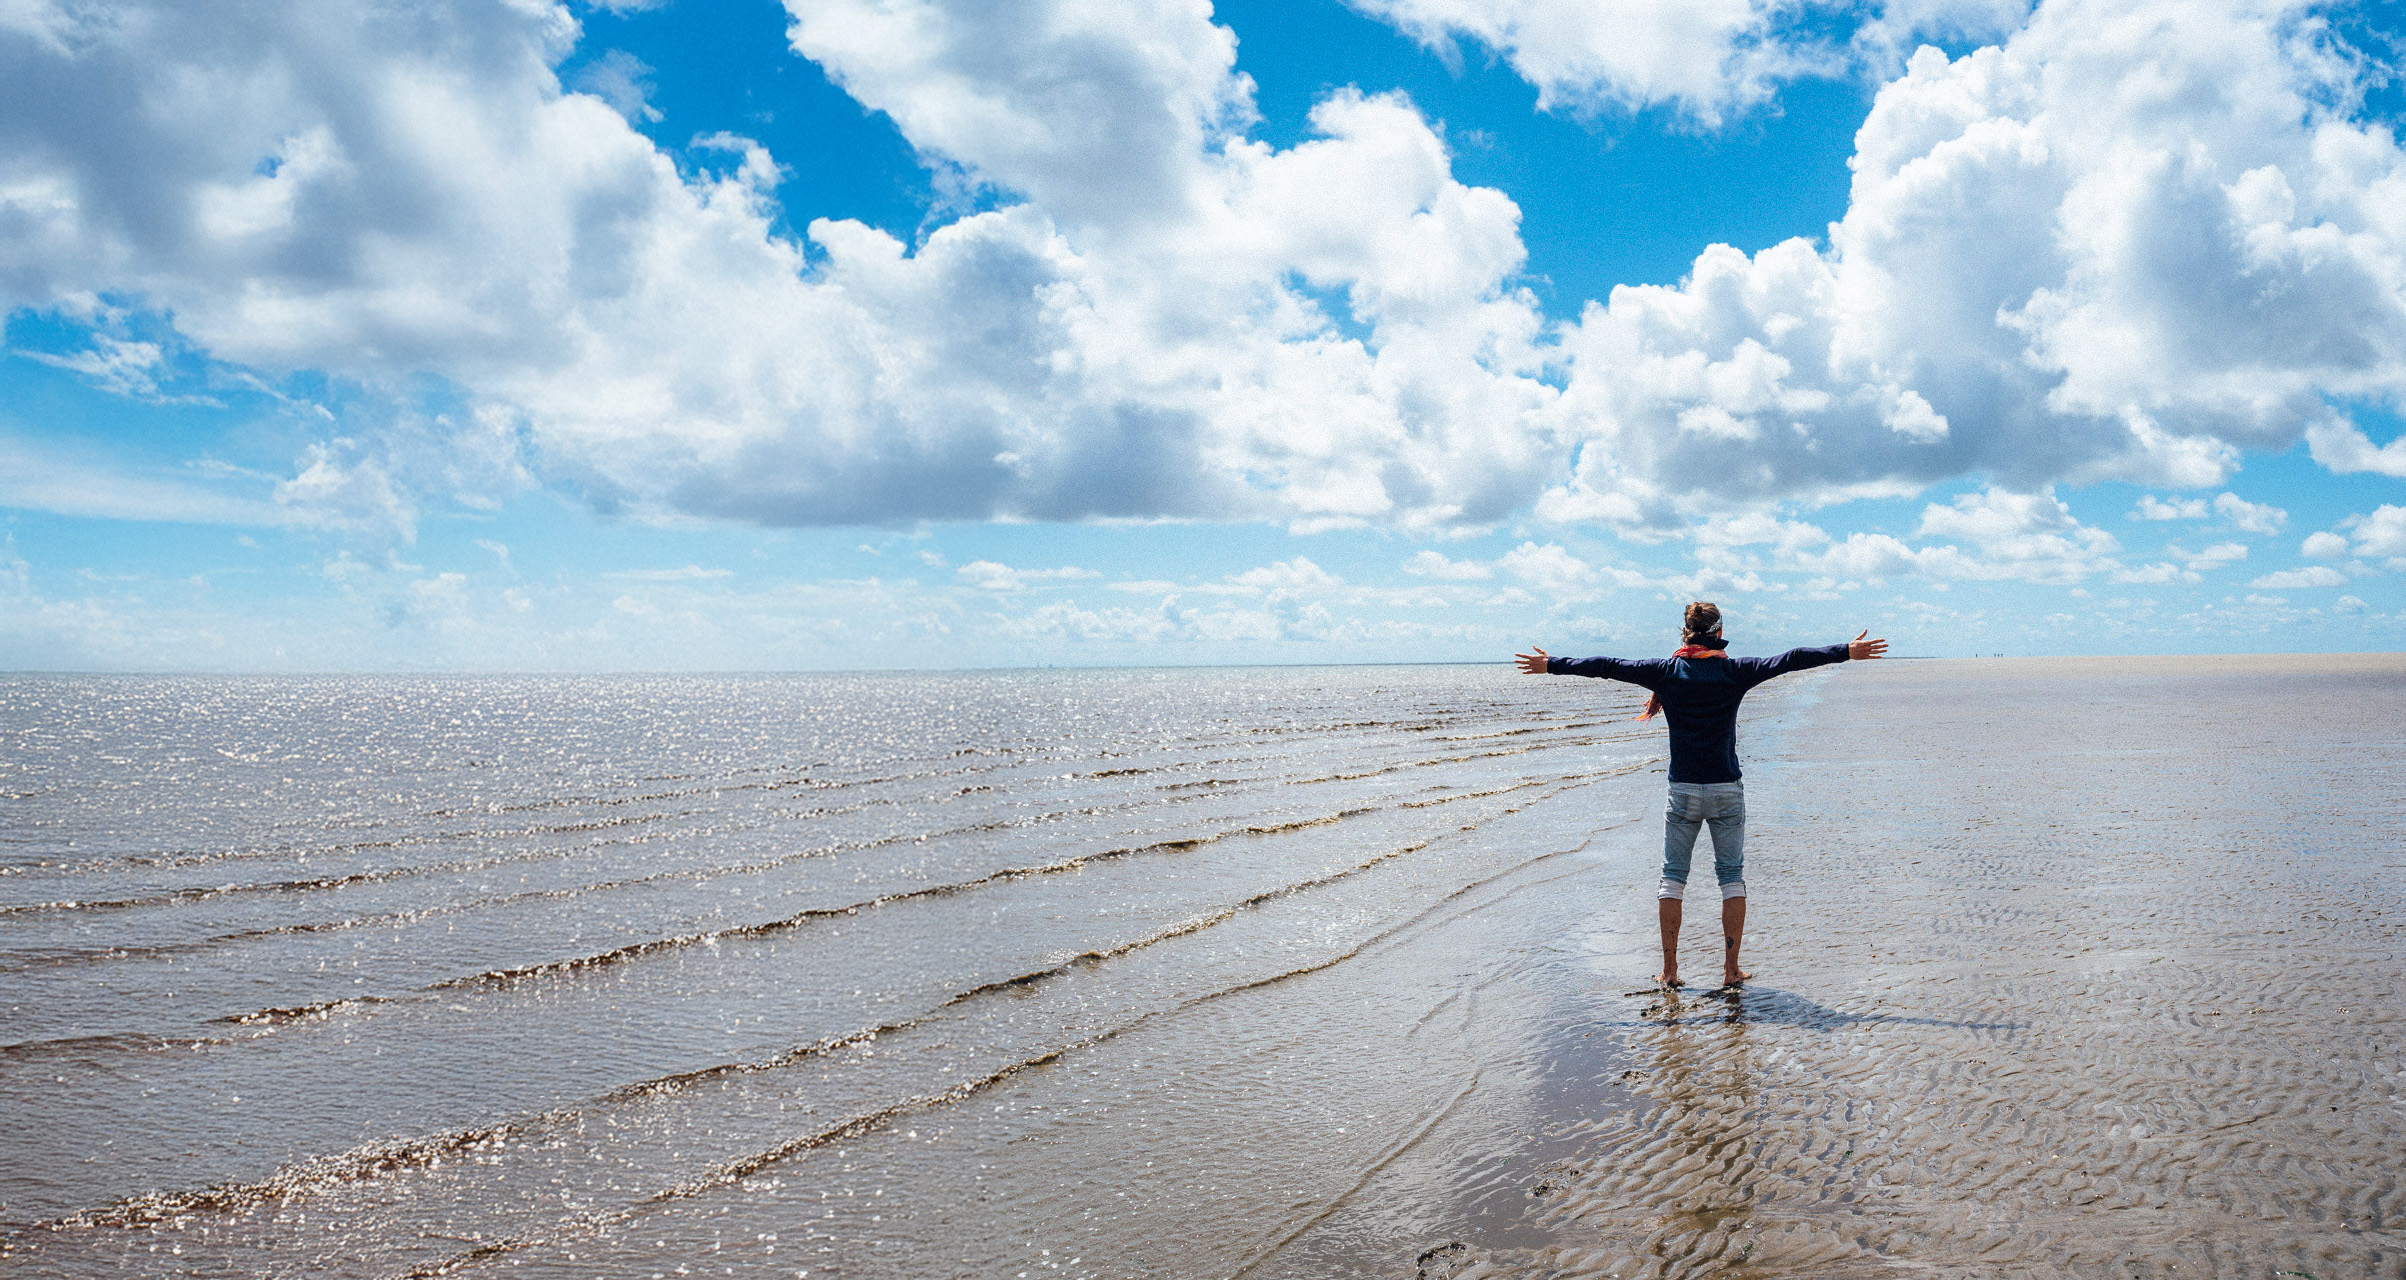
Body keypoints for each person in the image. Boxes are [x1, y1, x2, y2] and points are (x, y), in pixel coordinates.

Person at [1513, 602, 1887, 989]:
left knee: (1672, 878)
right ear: (1717, 630)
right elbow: (1790, 660)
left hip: (1683, 791)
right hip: (1726, 789)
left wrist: (1553, 664)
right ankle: (1730, 970)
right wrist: (1844, 651)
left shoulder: (1664, 672)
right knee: (1731, 879)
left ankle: (1671, 971)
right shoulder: (1733, 671)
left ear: (1685, 631)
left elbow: (1608, 666)